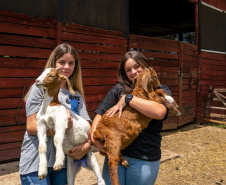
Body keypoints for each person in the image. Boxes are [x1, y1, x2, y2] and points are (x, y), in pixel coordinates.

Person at [91, 50, 172, 185]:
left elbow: (160, 112)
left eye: (137, 66)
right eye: (128, 70)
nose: (133, 72)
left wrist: (128, 99)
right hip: (117, 154)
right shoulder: (118, 89)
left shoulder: (159, 89)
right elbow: (100, 114)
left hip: (144, 157)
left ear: (146, 65)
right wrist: (95, 139)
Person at [19, 43, 92, 185]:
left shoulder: (75, 95)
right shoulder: (40, 88)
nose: (66, 67)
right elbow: (31, 126)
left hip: (63, 163)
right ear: (54, 63)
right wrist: (58, 129)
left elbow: (86, 126)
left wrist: (87, 145)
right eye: (62, 62)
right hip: (36, 162)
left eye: (71, 63)